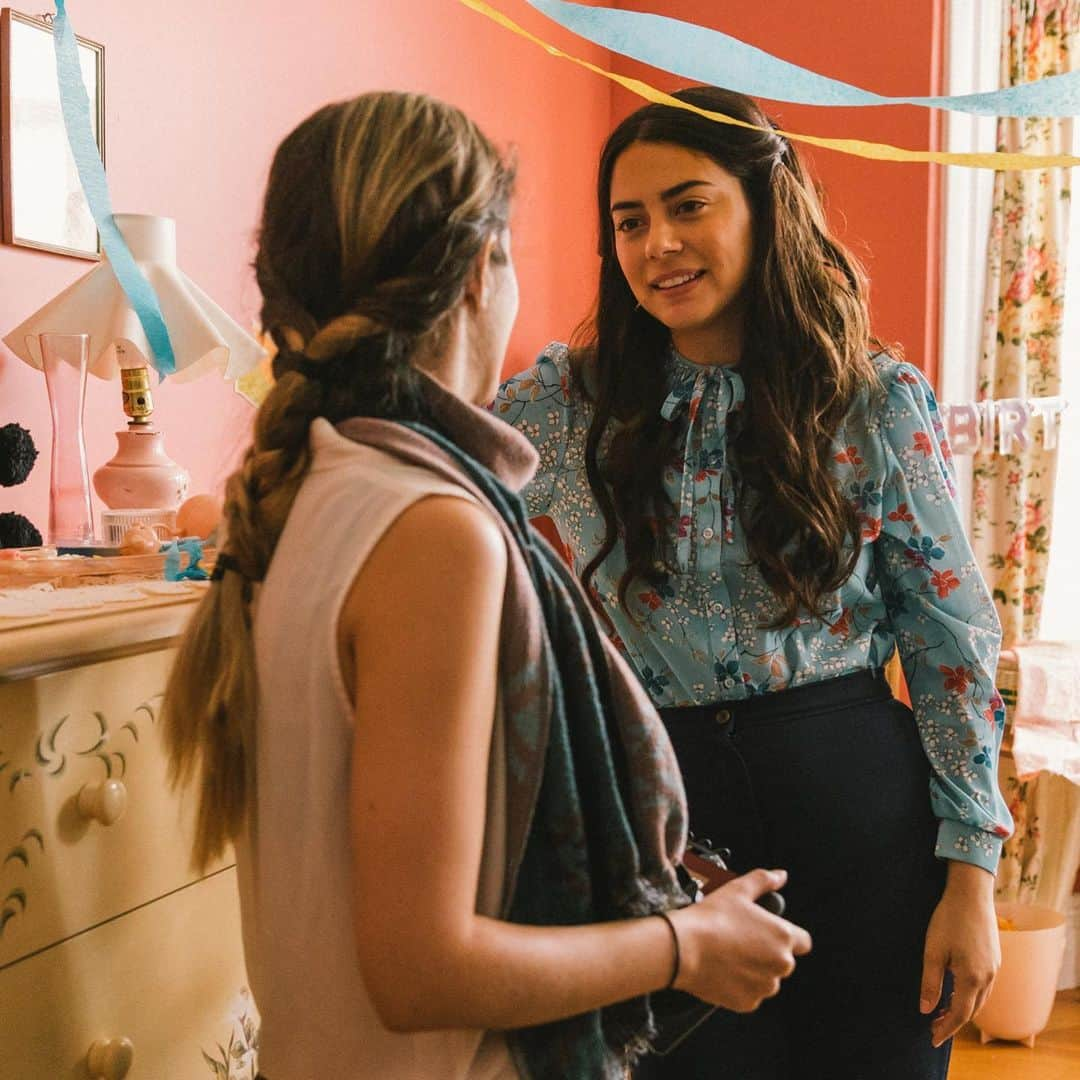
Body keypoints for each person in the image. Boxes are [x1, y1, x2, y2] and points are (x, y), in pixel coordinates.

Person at [161, 91, 810, 1080]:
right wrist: (688, 947)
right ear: (480, 268)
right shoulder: (436, 533)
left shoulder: (309, 488)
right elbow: (420, 968)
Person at [494, 86, 1012, 1080]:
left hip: (861, 813)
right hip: (670, 827)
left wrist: (972, 878)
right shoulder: (568, 402)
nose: (657, 246)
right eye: (631, 221)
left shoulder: (871, 401)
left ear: (765, 207)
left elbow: (950, 639)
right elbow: (440, 483)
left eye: (690, 206)